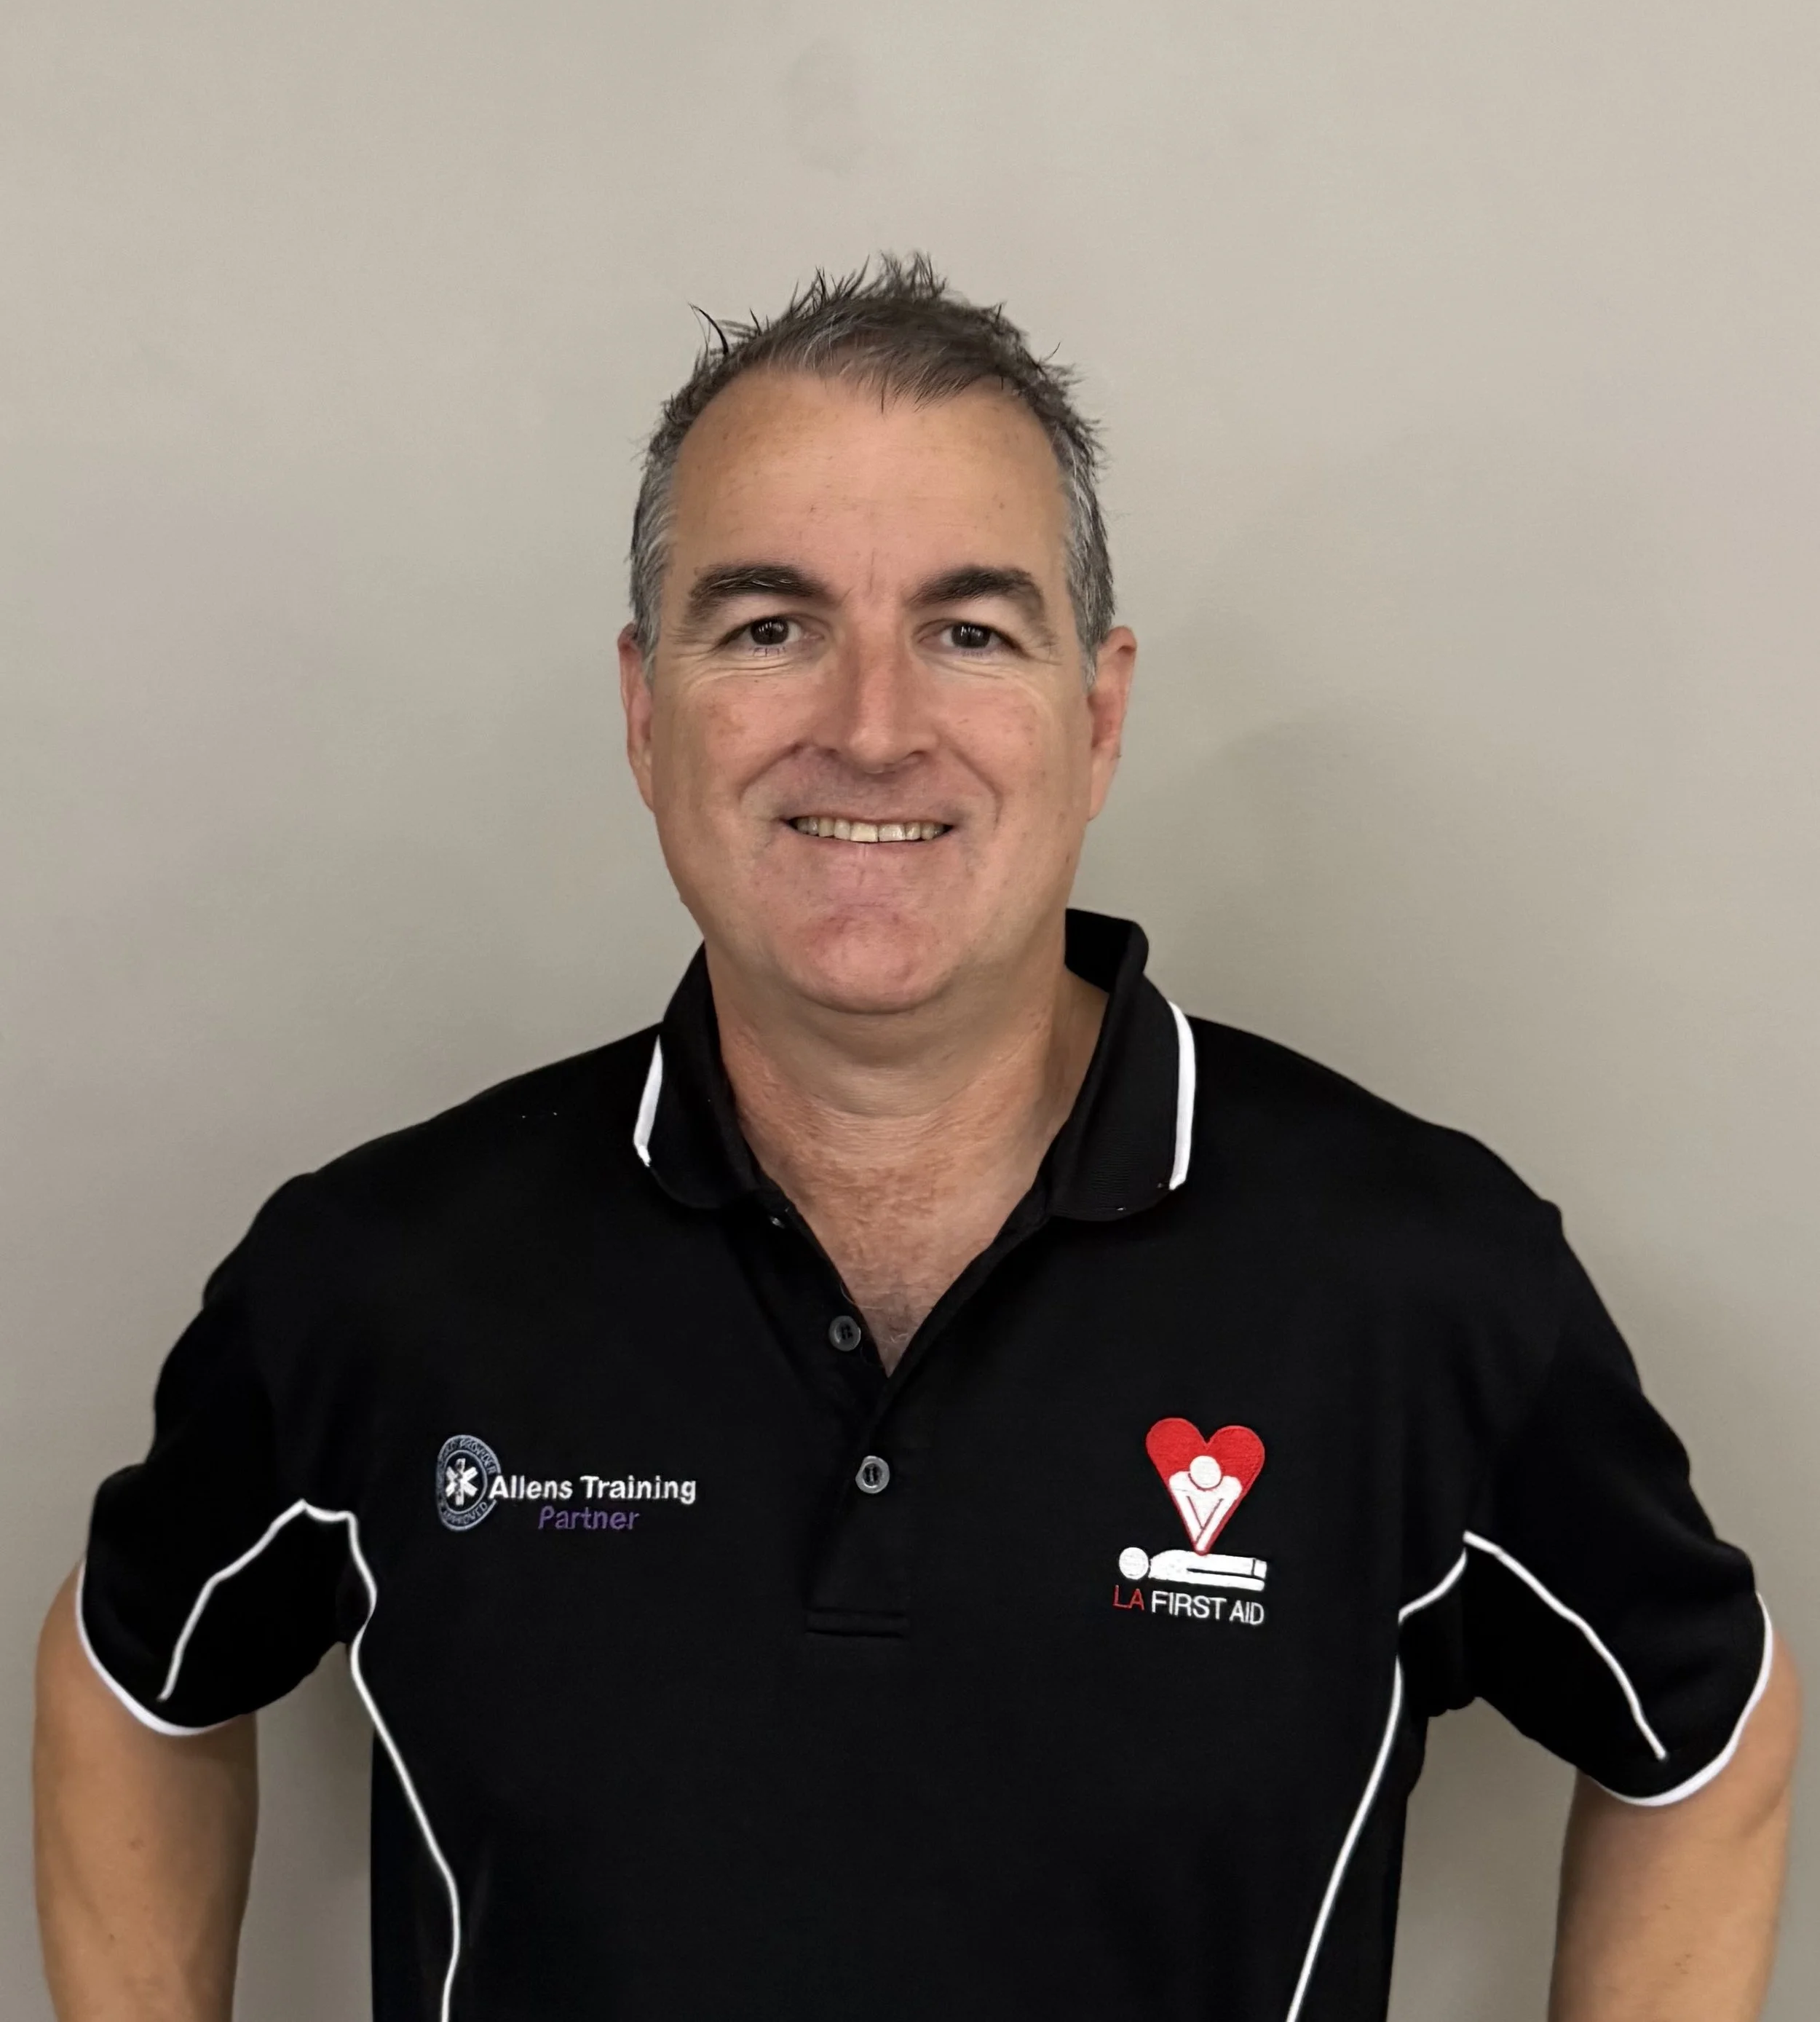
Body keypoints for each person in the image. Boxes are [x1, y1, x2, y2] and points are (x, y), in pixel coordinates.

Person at [33, 256, 1798, 2022]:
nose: (871, 729)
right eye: (767, 627)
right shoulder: (383, 1279)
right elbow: (130, 1679)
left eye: (969, 632)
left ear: (1095, 716)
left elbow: (1702, 1735)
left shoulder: (1417, 1288)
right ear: (646, 713)